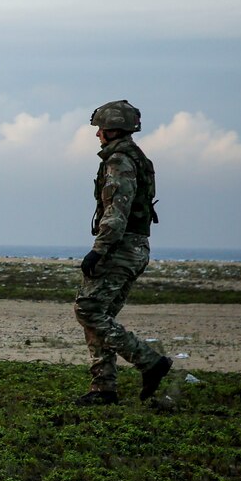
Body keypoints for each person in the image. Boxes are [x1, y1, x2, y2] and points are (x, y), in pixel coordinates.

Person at [74, 100, 171, 406]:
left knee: (88, 310)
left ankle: (148, 361)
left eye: (101, 128)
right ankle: (103, 389)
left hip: (121, 247)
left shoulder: (120, 161)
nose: (97, 134)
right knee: (99, 316)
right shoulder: (133, 158)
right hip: (134, 246)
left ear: (113, 129)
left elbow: (116, 212)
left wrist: (98, 250)